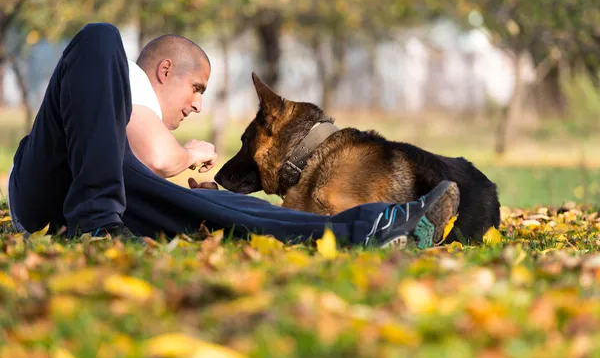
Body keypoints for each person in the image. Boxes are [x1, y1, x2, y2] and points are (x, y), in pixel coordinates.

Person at [6, 22, 459, 249]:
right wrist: (189, 153)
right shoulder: (122, 75)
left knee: (230, 206)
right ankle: (97, 221)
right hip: (45, 184)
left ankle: (372, 229)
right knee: (99, 35)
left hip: (85, 205)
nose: (197, 104)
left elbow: (142, 165)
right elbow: (161, 158)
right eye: (196, 88)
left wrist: (203, 192)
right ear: (165, 71)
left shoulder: (117, 140)